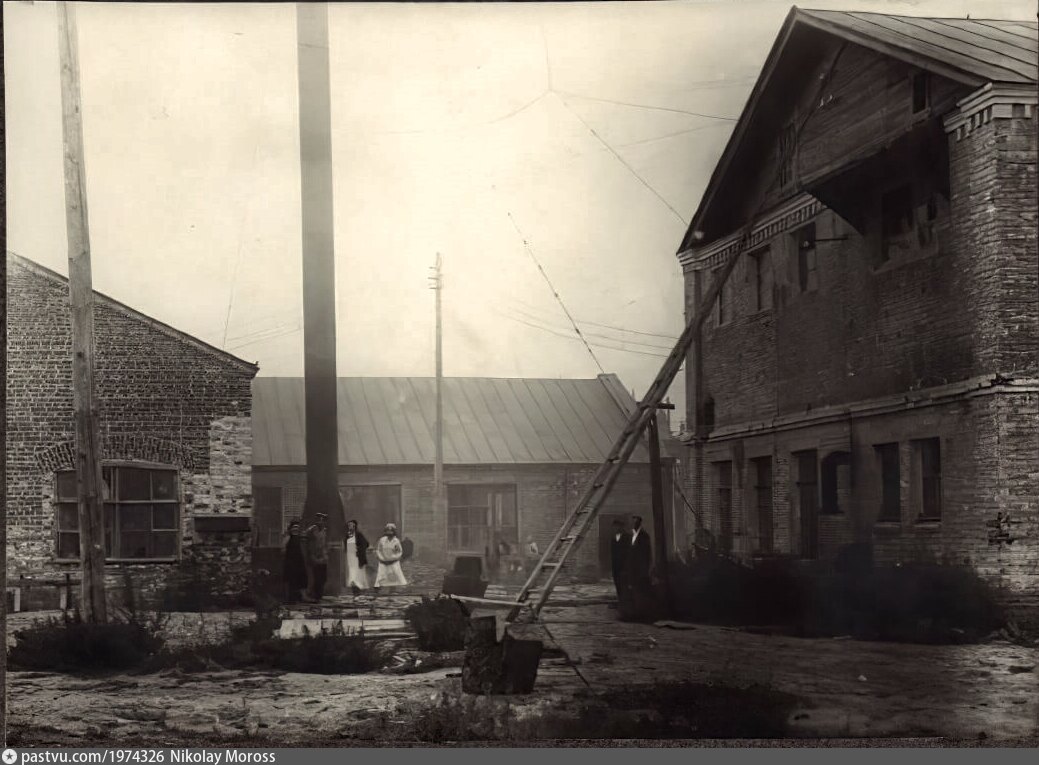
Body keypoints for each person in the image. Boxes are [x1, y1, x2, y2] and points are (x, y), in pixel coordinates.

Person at [373, 522, 408, 594]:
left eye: (391, 531)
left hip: (393, 561)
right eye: (388, 531)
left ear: (394, 532)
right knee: (381, 575)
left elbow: (399, 552)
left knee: (393, 575)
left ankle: (392, 589)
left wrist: (393, 558)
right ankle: (378, 589)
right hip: (383, 561)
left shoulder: (396, 541)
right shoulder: (382, 540)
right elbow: (378, 550)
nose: (389, 533)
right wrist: (381, 558)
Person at [303, 512, 329, 601]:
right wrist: (311, 555)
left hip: (323, 556)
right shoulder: (312, 530)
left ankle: (319, 594)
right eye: (319, 519)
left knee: (323, 577)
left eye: (323, 520)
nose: (321, 521)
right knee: (316, 577)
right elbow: (308, 543)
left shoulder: (324, 531)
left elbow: (325, 543)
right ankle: (315, 595)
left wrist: (326, 554)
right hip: (314, 556)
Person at [282, 520, 307, 604]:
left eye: (297, 527)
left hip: (299, 561)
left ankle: (301, 597)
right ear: (291, 528)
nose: (296, 529)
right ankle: (291, 599)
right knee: (291, 580)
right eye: (294, 527)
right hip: (291, 561)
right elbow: (283, 548)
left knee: (301, 578)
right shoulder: (288, 537)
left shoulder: (299, 538)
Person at [628, 514, 652, 595]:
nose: (633, 525)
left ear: (639, 524)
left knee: (641, 587)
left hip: (641, 566)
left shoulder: (644, 536)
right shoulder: (632, 535)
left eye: (635, 523)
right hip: (633, 566)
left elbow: (646, 553)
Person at [345, 519, 370, 597]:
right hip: (350, 558)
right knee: (352, 574)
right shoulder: (347, 535)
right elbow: (346, 546)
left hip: (357, 558)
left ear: (355, 526)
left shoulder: (359, 535)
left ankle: (358, 591)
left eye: (351, 525)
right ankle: (355, 591)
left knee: (357, 574)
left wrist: (358, 550)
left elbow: (366, 544)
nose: (350, 527)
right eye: (348, 525)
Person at [610, 518, 629, 601]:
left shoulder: (627, 537)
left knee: (624, 583)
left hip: (624, 565)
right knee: (617, 582)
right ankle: (620, 598)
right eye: (614, 527)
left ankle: (624, 600)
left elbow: (628, 552)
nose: (615, 528)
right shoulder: (614, 538)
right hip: (616, 565)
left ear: (621, 527)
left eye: (617, 526)